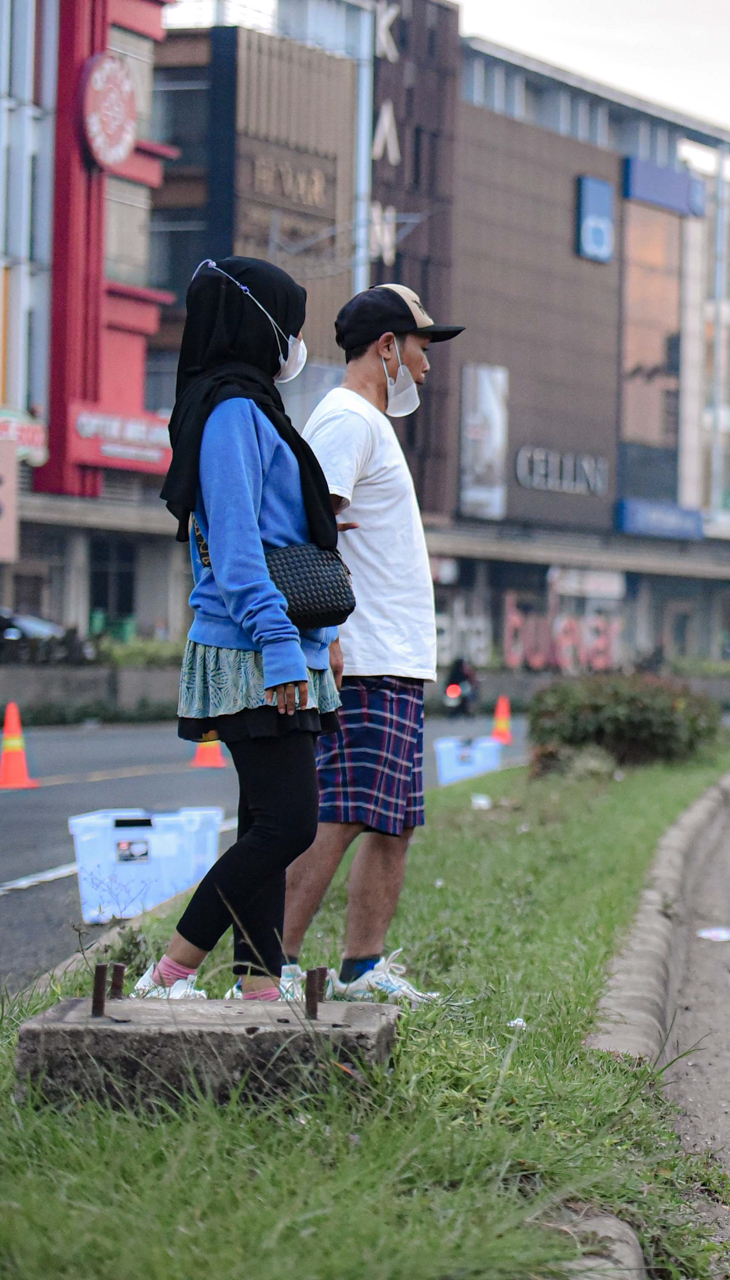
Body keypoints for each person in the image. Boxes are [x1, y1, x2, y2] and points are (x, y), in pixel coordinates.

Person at [132, 256, 342, 1000]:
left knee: (264, 819)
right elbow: (235, 547)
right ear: (261, 325)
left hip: (276, 644)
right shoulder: (231, 413)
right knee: (288, 826)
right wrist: (283, 648)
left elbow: (268, 528)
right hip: (255, 649)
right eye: (291, 325)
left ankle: (258, 986)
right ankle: (170, 972)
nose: (297, 342)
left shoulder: (250, 407)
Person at [279, 285, 462, 1006]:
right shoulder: (347, 420)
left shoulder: (368, 423)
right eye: (421, 347)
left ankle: (361, 968)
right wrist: (322, 635)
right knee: (339, 811)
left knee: (393, 821)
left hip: (395, 658)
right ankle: (271, 967)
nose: (426, 364)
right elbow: (305, 529)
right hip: (363, 657)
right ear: (387, 346)